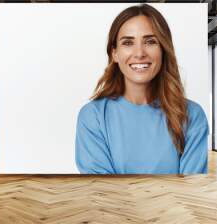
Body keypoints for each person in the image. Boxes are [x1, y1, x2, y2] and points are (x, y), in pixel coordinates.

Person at [75, 4, 209, 174]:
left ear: (163, 50)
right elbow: (102, 191)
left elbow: (192, 191)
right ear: (114, 53)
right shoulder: (93, 116)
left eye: (150, 41)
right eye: (128, 43)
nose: (139, 53)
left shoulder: (192, 115)